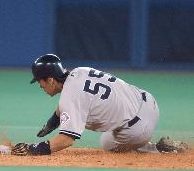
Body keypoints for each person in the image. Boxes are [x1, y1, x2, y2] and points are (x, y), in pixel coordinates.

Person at [11, 54, 188, 156]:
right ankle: (158, 144)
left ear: (50, 80)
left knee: (107, 143)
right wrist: (52, 123)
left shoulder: (70, 97)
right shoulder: (78, 72)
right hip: (148, 101)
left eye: (40, 81)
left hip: (138, 128)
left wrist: (34, 148)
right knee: (107, 122)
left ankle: (157, 149)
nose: (40, 86)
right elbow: (68, 103)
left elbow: (66, 140)